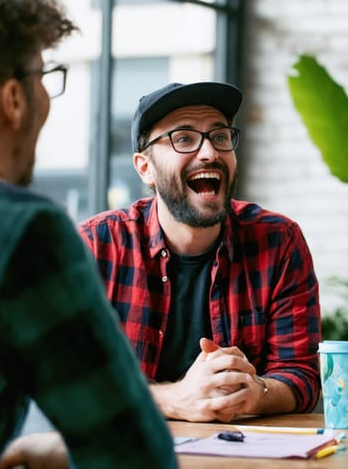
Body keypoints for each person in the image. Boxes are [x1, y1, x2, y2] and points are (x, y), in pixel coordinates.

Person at [0, 0, 176, 468]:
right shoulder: (27, 233)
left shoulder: (276, 238)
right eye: (45, 74)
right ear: (14, 98)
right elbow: (134, 457)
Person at [78, 81, 322, 422]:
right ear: (144, 167)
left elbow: (301, 374)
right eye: (183, 139)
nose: (209, 152)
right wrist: (176, 399)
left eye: (220, 136)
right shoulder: (95, 247)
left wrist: (257, 393)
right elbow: (68, 381)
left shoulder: (279, 241)